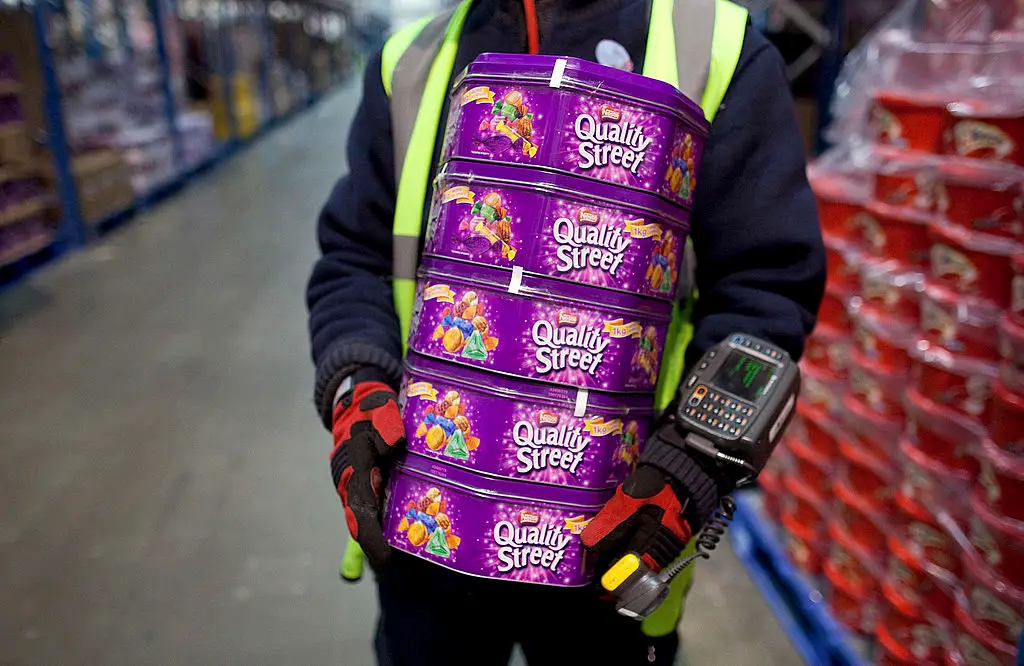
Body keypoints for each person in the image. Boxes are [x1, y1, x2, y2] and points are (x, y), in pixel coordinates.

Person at [307, 0, 826, 664]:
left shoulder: (716, 47)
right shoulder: (410, 62)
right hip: (424, 534)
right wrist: (357, 384)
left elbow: (767, 291)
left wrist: (696, 462)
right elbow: (353, 256)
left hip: (614, 547)